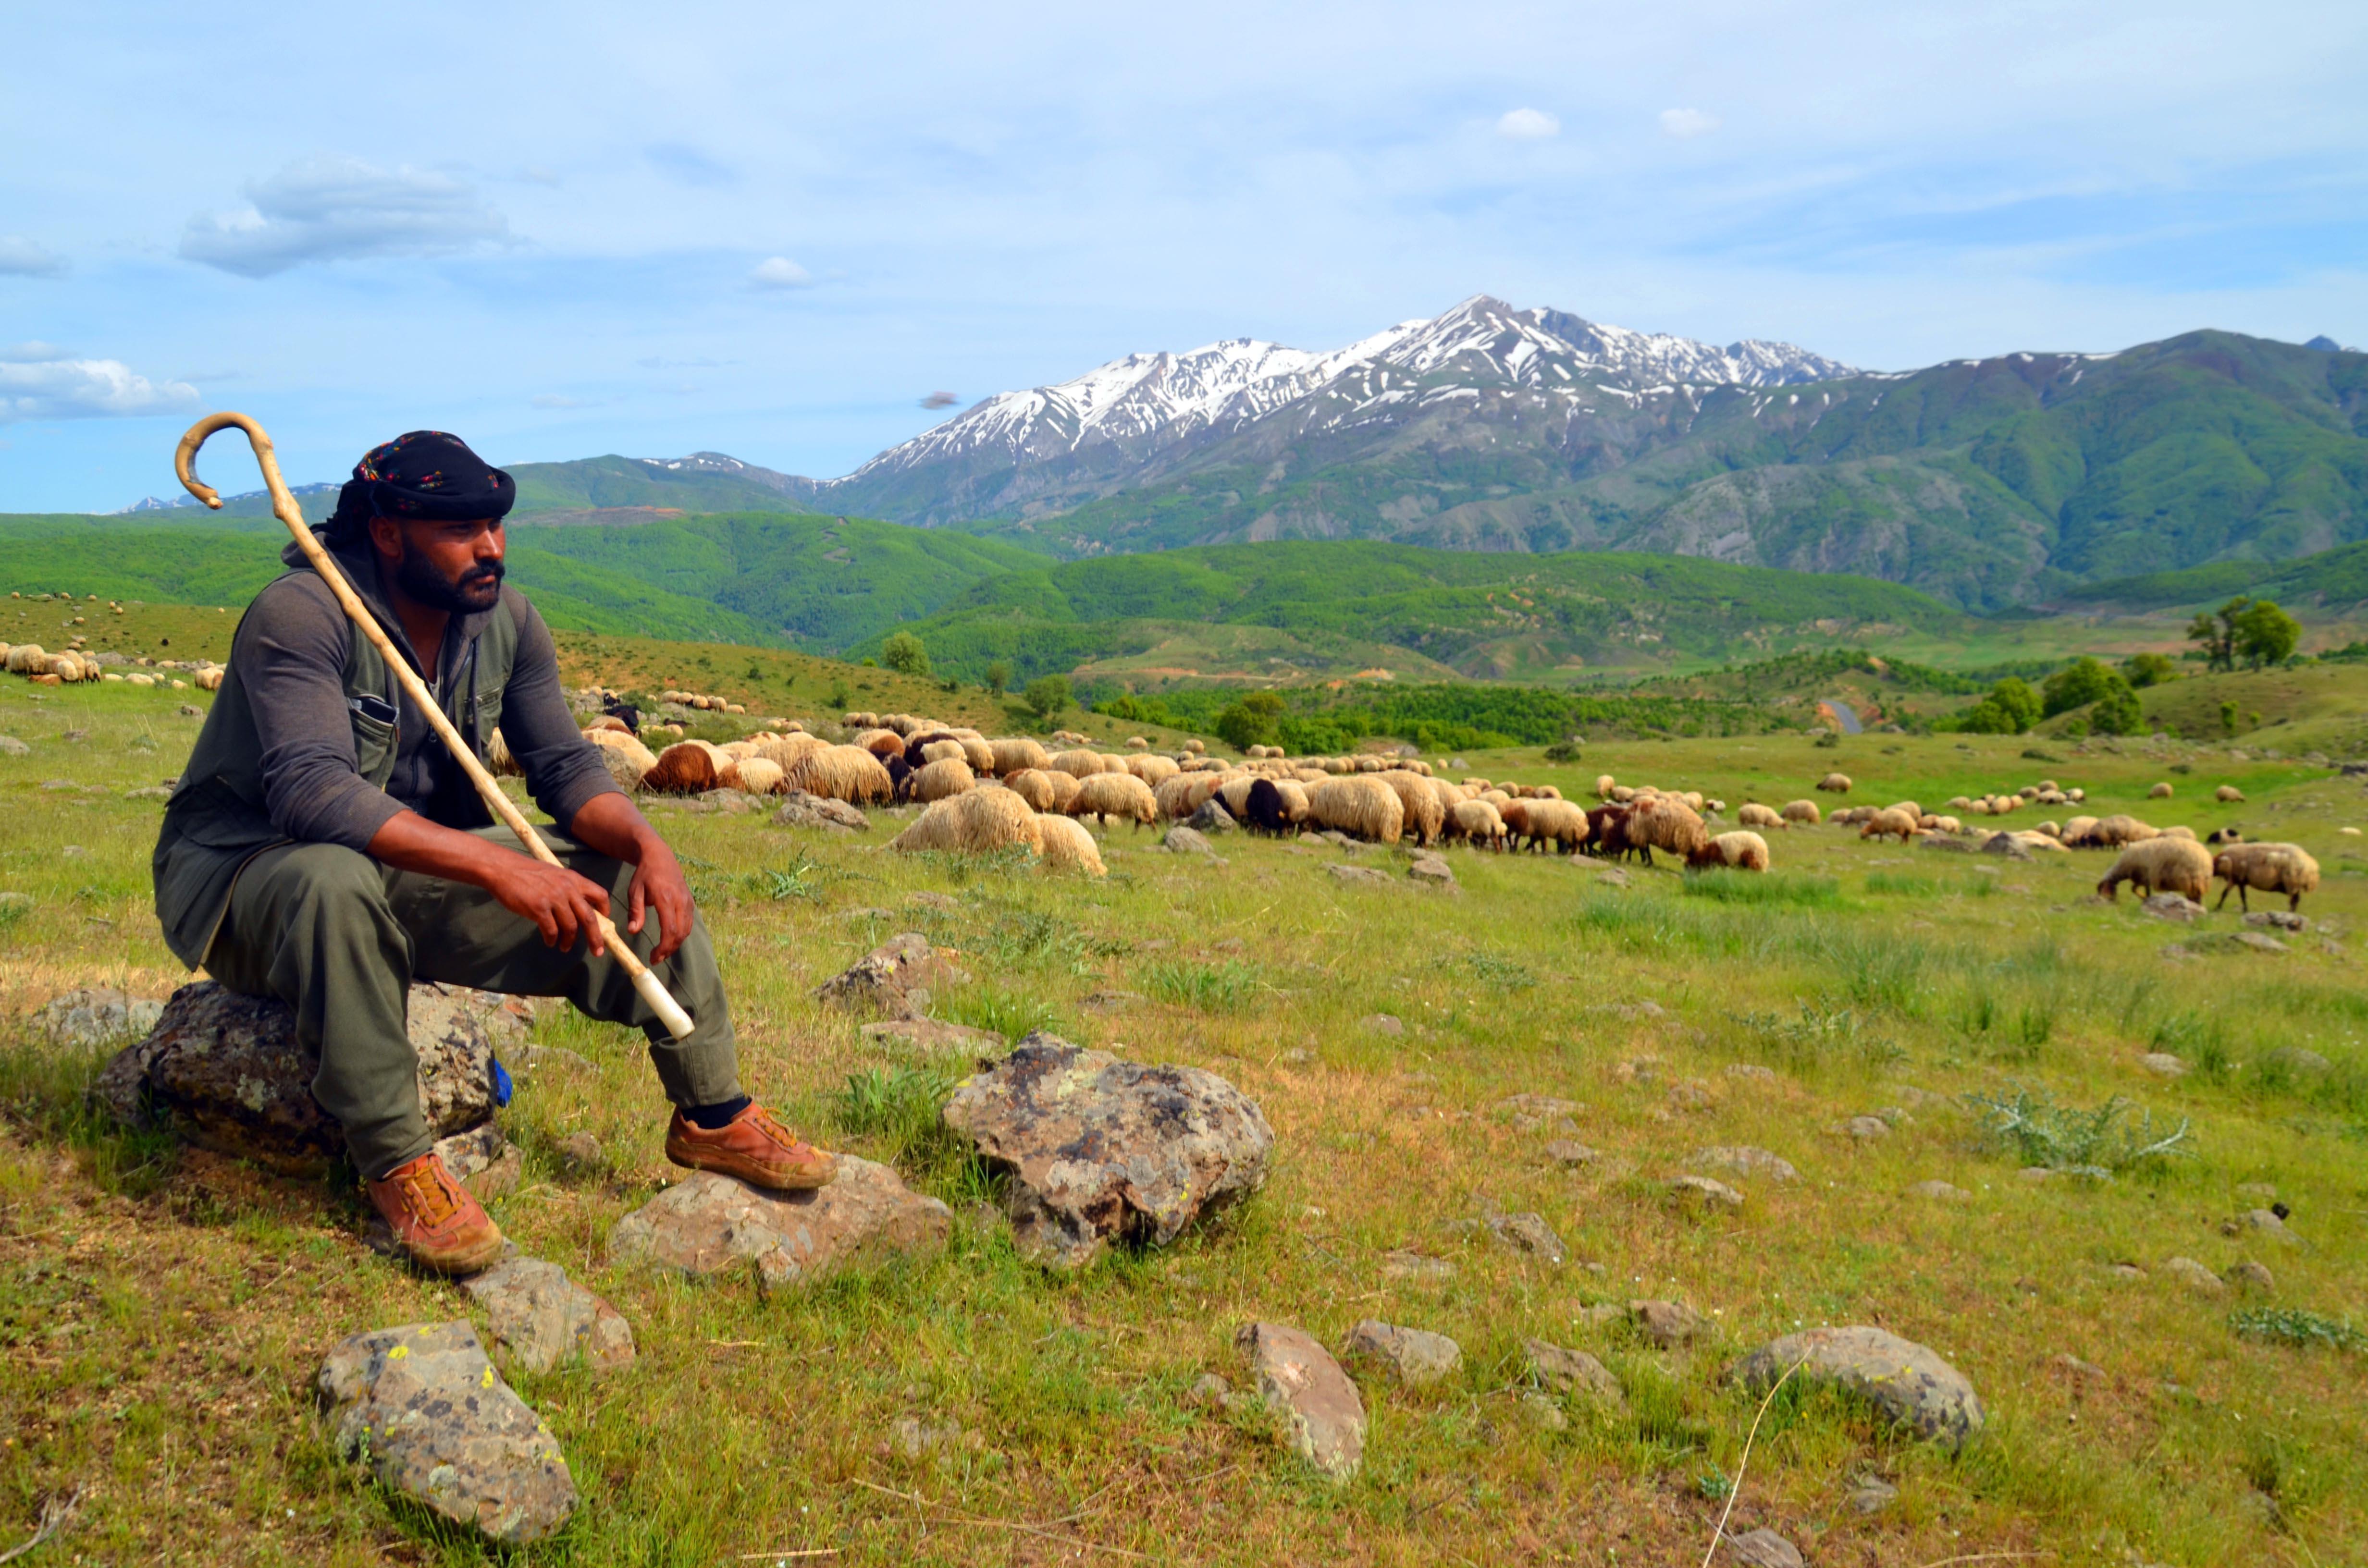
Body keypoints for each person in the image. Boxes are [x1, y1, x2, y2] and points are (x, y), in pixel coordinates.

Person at [152, 430, 834, 1276]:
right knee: (332, 882)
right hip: (249, 874)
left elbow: (568, 769)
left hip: (404, 870)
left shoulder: (504, 620)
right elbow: (311, 796)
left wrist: (649, 842)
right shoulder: (301, 613)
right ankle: (400, 1163)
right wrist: (499, 865)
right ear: (390, 532)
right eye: (461, 530)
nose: (491, 548)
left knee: (622, 876)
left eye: (497, 524)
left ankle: (712, 1112)